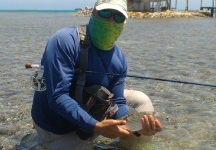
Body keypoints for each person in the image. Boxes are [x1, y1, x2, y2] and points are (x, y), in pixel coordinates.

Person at [31, 0, 162, 149]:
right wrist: (97, 126)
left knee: (142, 101)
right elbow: (58, 96)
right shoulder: (64, 40)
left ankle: (128, 145)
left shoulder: (119, 59)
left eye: (118, 17)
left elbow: (118, 101)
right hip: (57, 126)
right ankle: (39, 141)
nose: (111, 21)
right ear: (93, 14)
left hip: (93, 111)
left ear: (124, 23)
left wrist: (135, 129)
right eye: (105, 13)